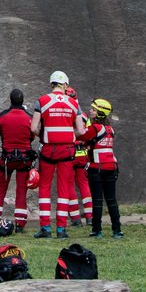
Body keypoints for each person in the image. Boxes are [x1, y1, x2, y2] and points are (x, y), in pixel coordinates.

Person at [29, 70, 85, 239]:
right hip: (67, 150)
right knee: (63, 189)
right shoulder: (73, 104)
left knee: (44, 188)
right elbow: (81, 130)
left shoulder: (42, 101)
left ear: (51, 84)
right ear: (65, 85)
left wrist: (43, 134)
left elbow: (33, 128)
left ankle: (45, 227)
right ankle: (61, 229)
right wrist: (71, 134)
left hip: (48, 150)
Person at [0, 88, 36, 231]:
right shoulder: (29, 117)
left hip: (7, 158)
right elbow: (32, 136)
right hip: (24, 159)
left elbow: (1, 132)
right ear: (23, 100)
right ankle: (20, 223)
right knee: (21, 190)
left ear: (10, 99)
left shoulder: (2, 116)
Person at [80, 98, 123, 239]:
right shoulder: (110, 129)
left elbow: (81, 135)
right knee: (112, 200)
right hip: (111, 168)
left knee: (97, 201)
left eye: (93, 109)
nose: (90, 111)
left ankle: (97, 230)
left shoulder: (95, 128)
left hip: (96, 168)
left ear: (99, 113)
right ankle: (117, 230)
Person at [65, 86, 93, 227]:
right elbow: (87, 133)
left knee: (69, 184)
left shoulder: (66, 112)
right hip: (83, 154)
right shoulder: (84, 115)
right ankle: (89, 217)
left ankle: (75, 218)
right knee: (84, 184)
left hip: (69, 153)